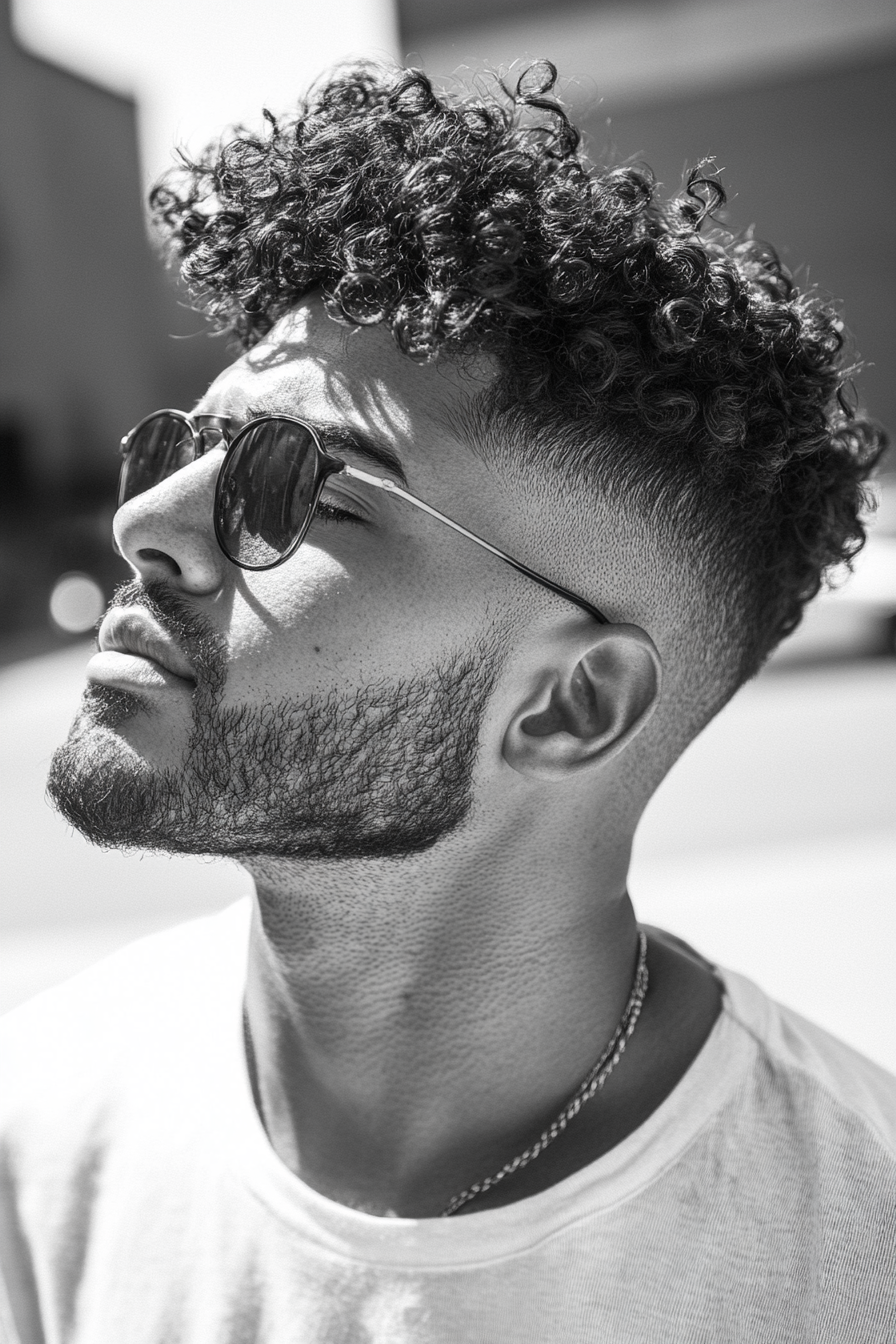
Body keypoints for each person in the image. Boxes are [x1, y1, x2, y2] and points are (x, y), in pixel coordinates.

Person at [1, 61, 893, 1343]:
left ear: (569, 707)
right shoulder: (44, 1126)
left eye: (296, 488)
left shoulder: (852, 1256)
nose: (143, 522)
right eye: (179, 449)